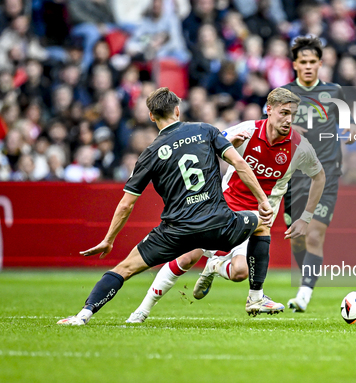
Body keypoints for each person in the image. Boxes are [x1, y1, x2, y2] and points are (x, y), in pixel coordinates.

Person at [57, 87, 273, 325]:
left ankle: (83, 315)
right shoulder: (205, 131)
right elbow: (240, 164)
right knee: (262, 224)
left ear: (151, 116)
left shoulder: (149, 154)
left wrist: (109, 239)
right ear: (177, 110)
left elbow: (126, 204)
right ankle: (255, 297)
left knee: (125, 268)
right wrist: (263, 200)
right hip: (218, 223)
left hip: (176, 232)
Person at [125, 87, 326, 322]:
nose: (289, 119)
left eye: (293, 113)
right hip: (223, 207)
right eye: (284, 113)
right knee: (187, 257)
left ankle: (215, 268)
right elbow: (202, 147)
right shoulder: (246, 131)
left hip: (260, 216)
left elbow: (319, 176)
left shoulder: (299, 147)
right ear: (269, 111)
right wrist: (227, 142)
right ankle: (141, 311)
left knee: (240, 272)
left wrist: (306, 217)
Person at [281, 36, 356, 312]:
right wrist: (287, 129)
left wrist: (353, 128)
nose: (309, 66)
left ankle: (303, 294)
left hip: (325, 173)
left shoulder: (335, 91)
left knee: (314, 235)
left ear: (321, 63)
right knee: (298, 237)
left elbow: (348, 119)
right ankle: (309, 277)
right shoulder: (283, 94)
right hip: (291, 176)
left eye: (313, 62)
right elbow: (268, 127)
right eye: (304, 62)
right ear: (295, 65)